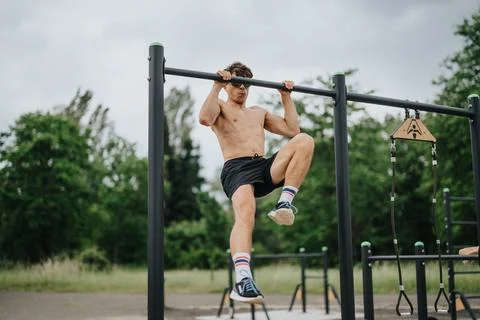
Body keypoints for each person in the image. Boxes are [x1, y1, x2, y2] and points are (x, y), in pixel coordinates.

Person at [199, 62, 314, 304]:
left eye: (246, 86)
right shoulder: (220, 106)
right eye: (237, 85)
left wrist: (286, 97)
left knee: (305, 141)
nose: (242, 89)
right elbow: (204, 118)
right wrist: (216, 86)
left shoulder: (258, 112)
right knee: (246, 214)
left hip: (262, 167)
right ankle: (243, 279)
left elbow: (293, 129)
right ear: (229, 87)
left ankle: (284, 203)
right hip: (237, 169)